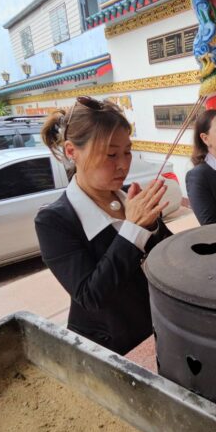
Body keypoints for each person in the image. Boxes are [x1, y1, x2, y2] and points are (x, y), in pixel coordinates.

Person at [35, 96, 172, 355]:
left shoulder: (129, 197)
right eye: (111, 154)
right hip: (113, 347)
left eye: (127, 152)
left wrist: (152, 224)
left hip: (160, 325)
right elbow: (91, 295)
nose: (123, 164)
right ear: (71, 151)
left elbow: (167, 258)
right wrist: (133, 229)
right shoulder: (54, 221)